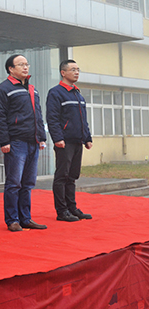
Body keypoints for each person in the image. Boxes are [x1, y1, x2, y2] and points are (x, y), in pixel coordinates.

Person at [0, 54, 48, 232]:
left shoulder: (32, 89)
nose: (25, 67)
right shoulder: (3, 89)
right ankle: (12, 220)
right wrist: (4, 141)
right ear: (11, 69)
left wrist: (42, 137)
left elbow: (38, 115)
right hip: (16, 142)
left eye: (26, 64)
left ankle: (26, 218)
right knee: (14, 183)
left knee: (28, 183)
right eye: (21, 64)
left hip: (33, 142)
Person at [46, 59, 94, 222]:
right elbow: (52, 118)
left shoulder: (77, 93)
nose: (76, 72)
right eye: (73, 69)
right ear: (63, 72)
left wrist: (87, 138)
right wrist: (58, 138)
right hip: (64, 142)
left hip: (77, 141)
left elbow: (83, 119)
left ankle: (72, 208)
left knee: (72, 176)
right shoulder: (56, 92)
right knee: (62, 176)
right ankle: (62, 211)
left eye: (78, 69)